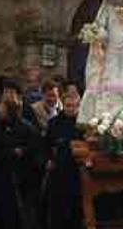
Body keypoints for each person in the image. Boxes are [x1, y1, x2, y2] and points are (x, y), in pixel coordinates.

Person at [0, 79, 43, 229]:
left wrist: (22, 151)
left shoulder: (27, 128)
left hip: (22, 179)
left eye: (2, 107)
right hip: (2, 177)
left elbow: (35, 148)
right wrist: (12, 152)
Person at [44, 92, 83, 229]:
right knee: (58, 213)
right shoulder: (54, 123)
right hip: (59, 173)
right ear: (63, 105)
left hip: (79, 174)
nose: (71, 109)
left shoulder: (84, 125)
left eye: (74, 106)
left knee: (77, 212)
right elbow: (45, 146)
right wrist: (48, 160)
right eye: (68, 106)